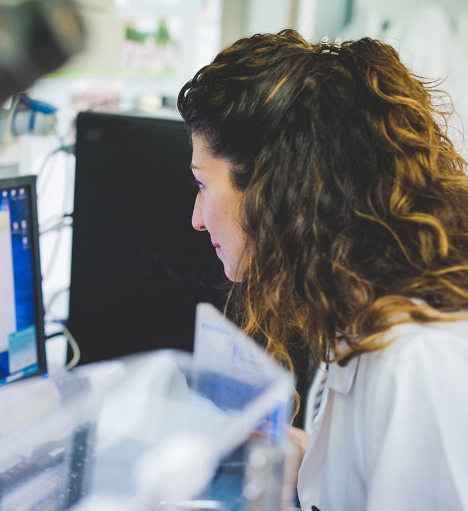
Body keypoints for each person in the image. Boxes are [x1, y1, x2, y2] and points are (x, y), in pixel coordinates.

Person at [177, 29, 468, 510]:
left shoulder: (419, 362)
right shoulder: (365, 309)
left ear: (274, 192)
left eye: (203, 184)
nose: (195, 217)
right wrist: (314, 463)